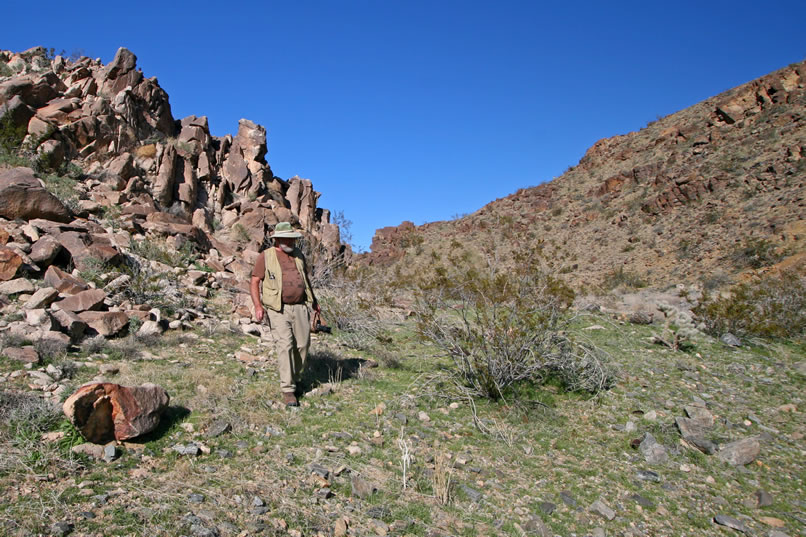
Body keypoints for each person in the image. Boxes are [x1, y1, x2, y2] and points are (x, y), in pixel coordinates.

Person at [250, 222, 320, 407]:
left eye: (292, 238)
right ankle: (288, 389)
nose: (291, 241)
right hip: (277, 308)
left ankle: (295, 378)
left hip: (300, 307)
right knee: (285, 345)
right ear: (278, 239)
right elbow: (255, 281)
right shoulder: (266, 256)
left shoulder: (298, 256)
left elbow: (305, 280)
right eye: (287, 238)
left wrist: (314, 302)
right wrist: (258, 306)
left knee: (303, 344)